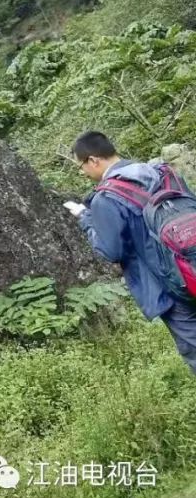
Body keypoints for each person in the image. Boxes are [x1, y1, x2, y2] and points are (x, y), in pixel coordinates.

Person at [70, 131, 196, 373]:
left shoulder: (106, 198)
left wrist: (86, 219)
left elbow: (111, 251)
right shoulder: (163, 173)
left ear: (93, 160)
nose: (82, 173)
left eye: (81, 166)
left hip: (169, 287)